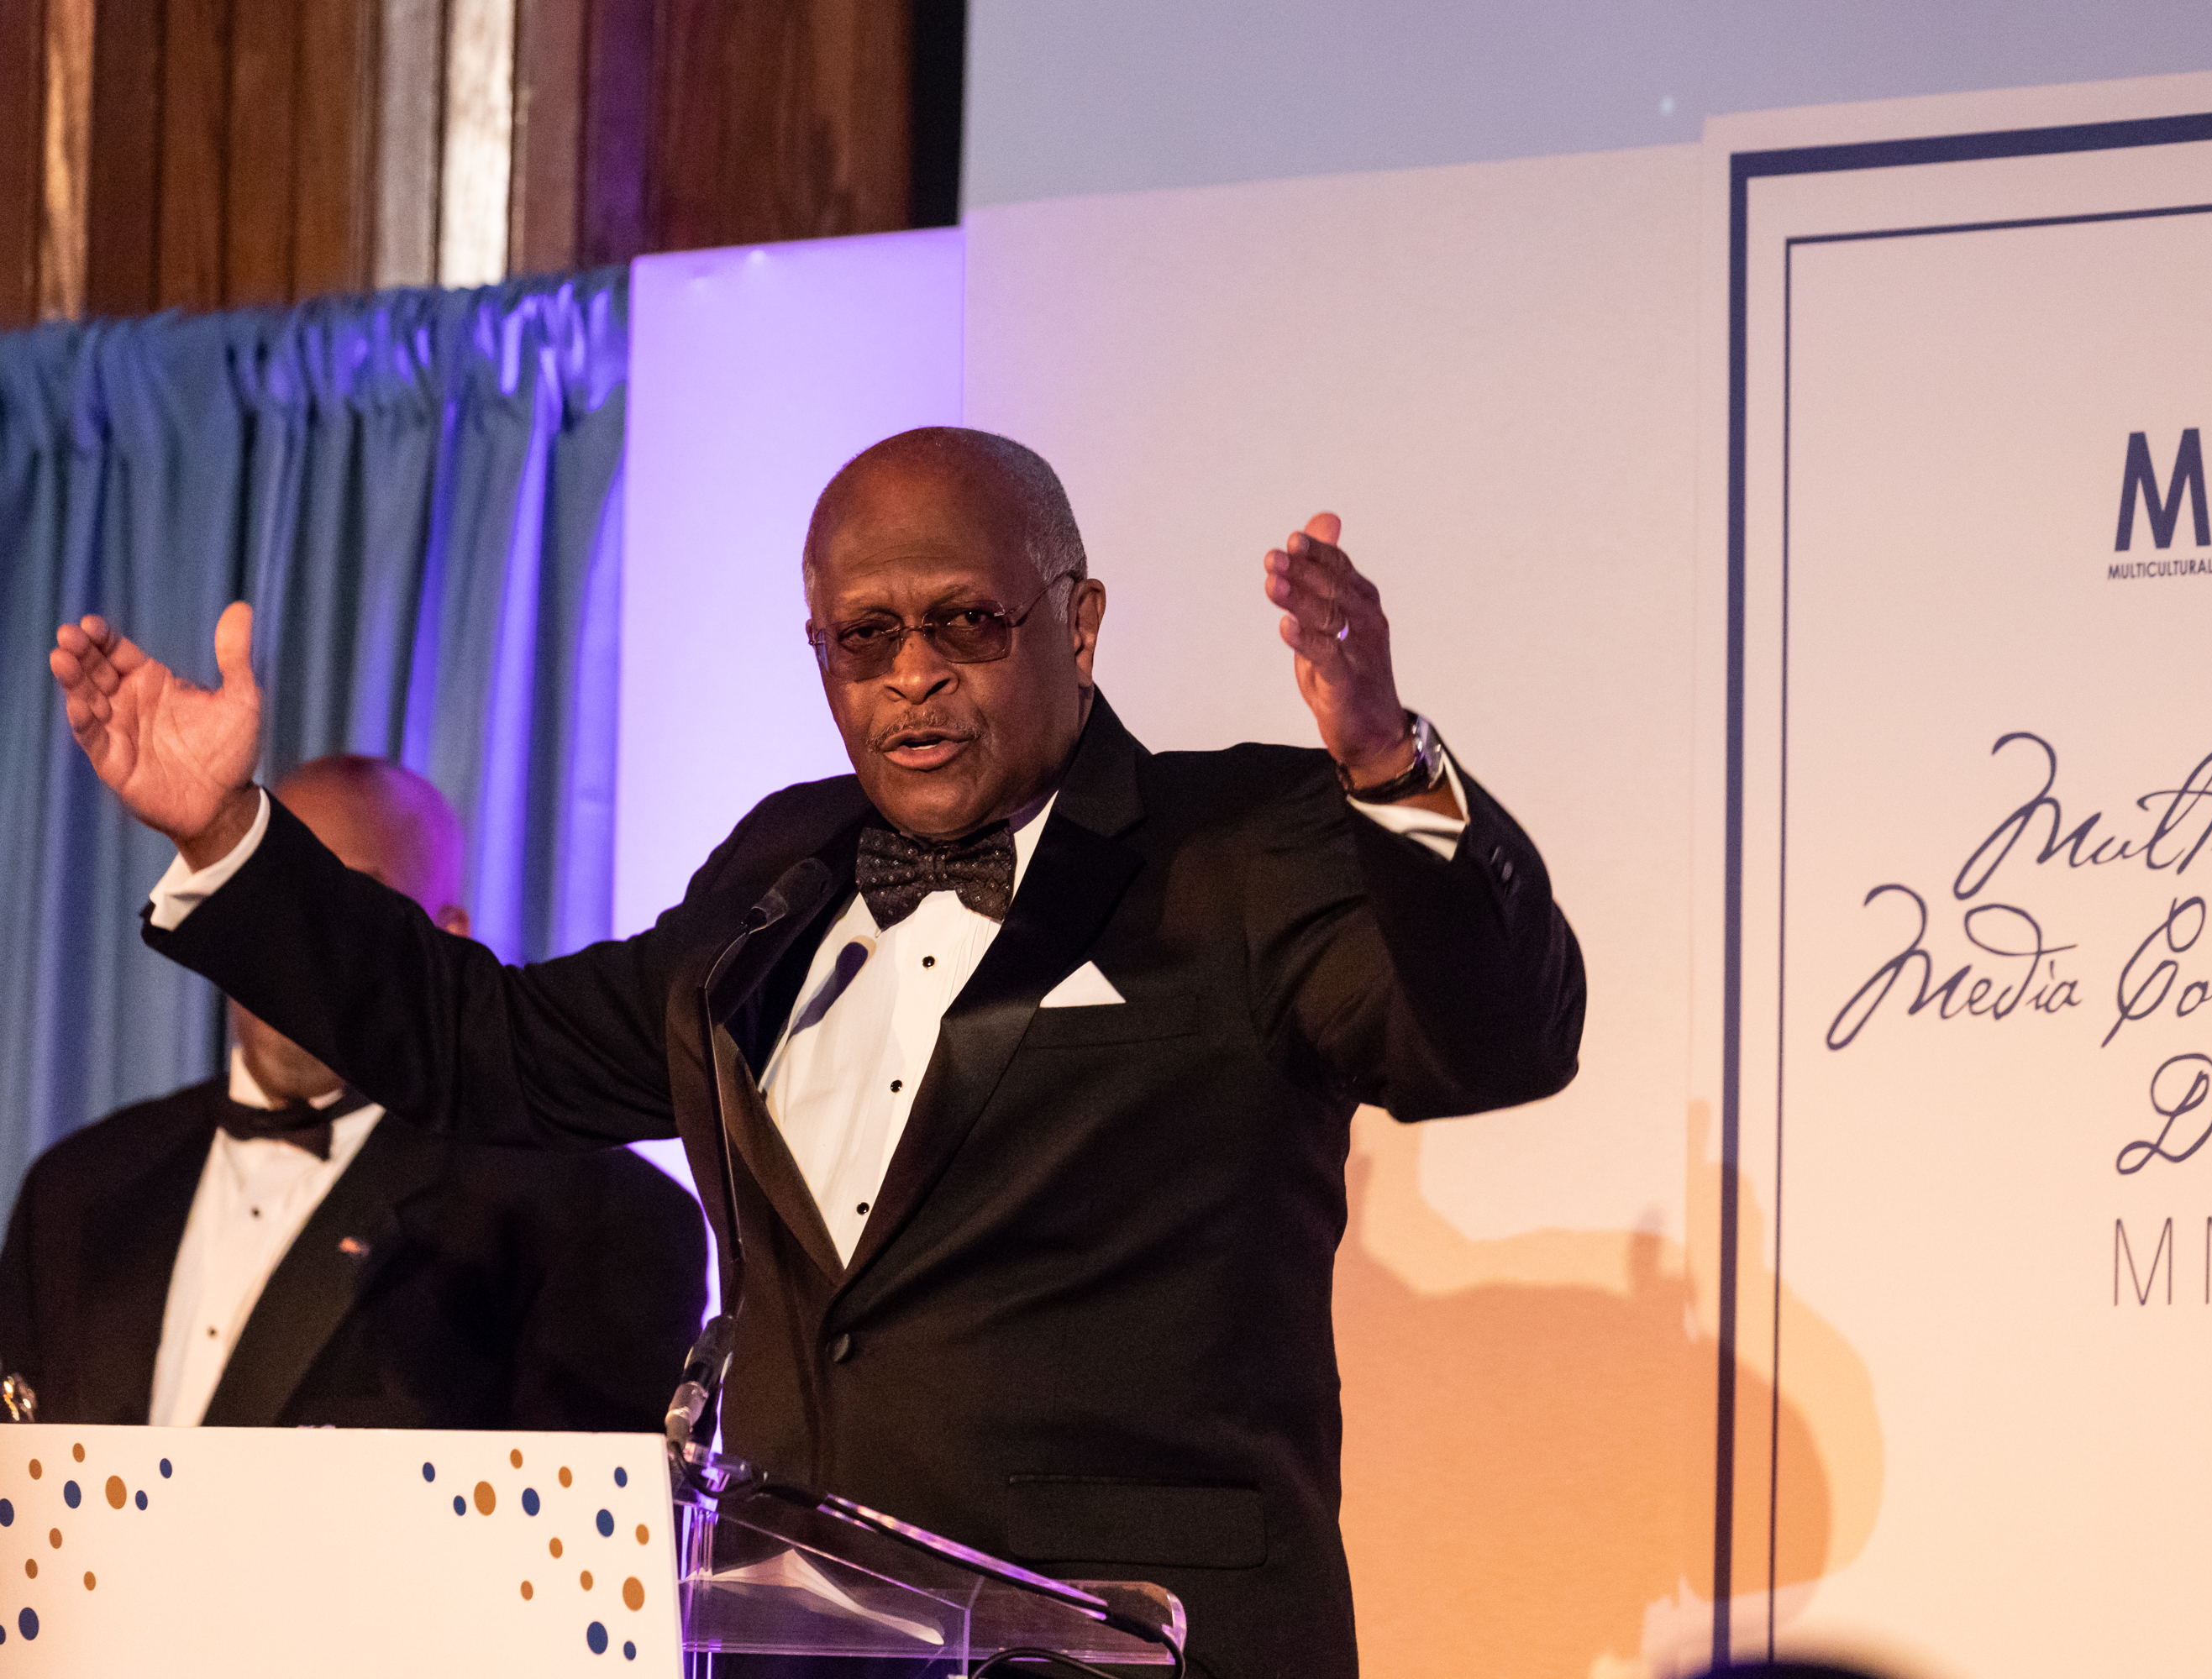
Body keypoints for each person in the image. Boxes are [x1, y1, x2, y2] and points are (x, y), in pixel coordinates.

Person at [48, 427, 1584, 1677]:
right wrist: (228, 838)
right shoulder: (777, 870)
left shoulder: (1241, 839)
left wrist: (1389, 765)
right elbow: (485, 1047)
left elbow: (1495, 1035)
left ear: (1079, 619)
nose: (909, 671)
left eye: (962, 620)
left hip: (1132, 1645)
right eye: (862, 635)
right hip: (794, 1644)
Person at [0, 755, 708, 1432]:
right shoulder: (74, 1187)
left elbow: (574, 1543)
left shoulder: (599, 1216)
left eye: (347, 903)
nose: (295, 944)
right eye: (269, 902)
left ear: (445, 935)